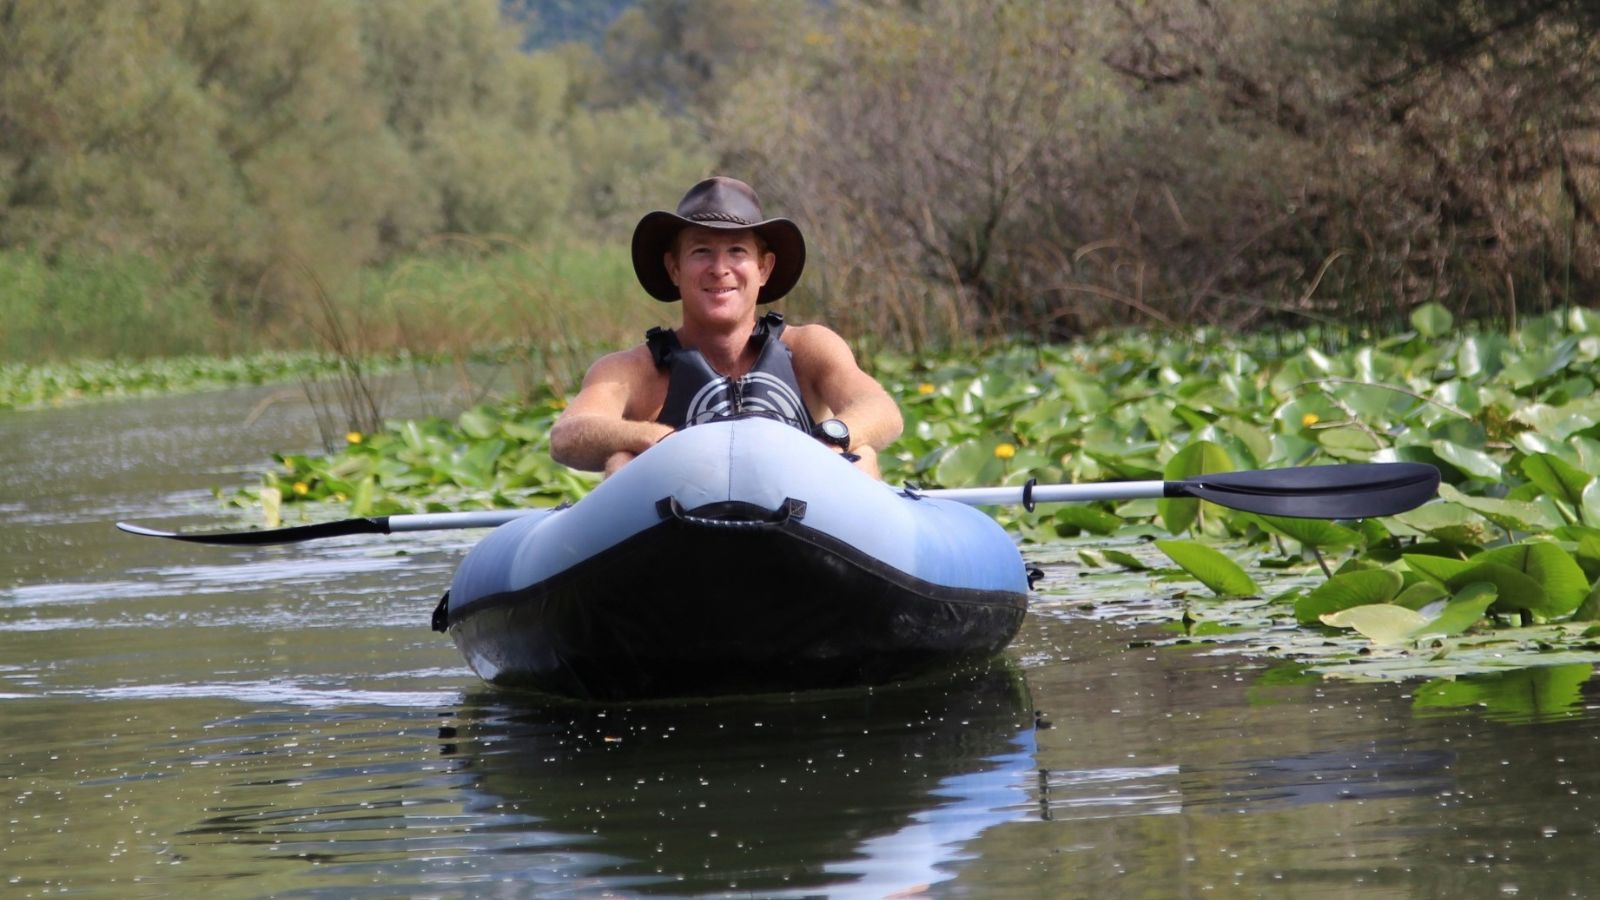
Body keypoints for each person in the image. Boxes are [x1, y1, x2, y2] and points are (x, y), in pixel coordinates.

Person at [549, 176, 903, 477]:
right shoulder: (631, 369)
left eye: (736, 251)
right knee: (621, 460)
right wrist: (653, 438)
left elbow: (881, 408)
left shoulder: (809, 347)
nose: (720, 268)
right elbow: (566, 435)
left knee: (861, 455)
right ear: (674, 269)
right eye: (701, 251)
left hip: (806, 532)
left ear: (763, 268)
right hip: (677, 536)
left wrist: (832, 437)